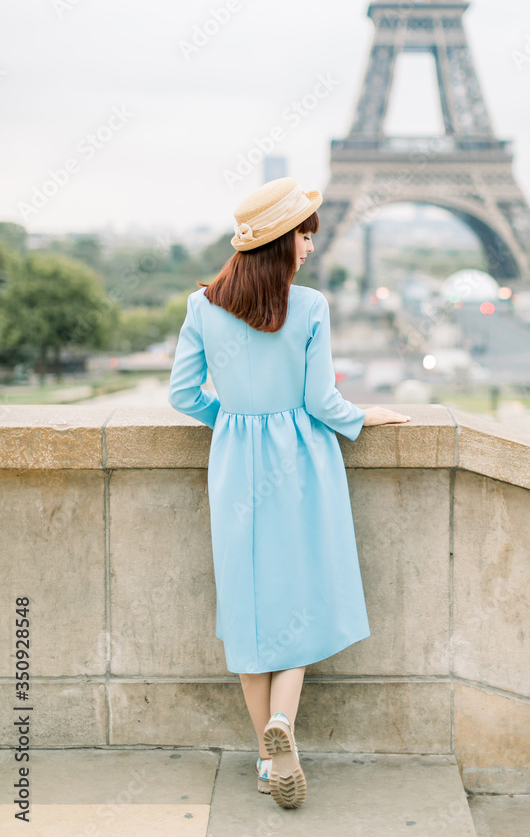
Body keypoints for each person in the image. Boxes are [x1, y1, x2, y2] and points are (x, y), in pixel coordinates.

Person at [167, 177, 410, 810]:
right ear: (282, 241)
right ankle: (285, 725)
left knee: (248, 611)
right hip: (301, 461)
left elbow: (183, 395)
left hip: (236, 462)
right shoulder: (310, 307)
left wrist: (236, 424)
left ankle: (268, 760)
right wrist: (369, 417)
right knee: (301, 595)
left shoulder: (203, 307)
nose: (309, 246)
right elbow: (319, 402)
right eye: (304, 234)